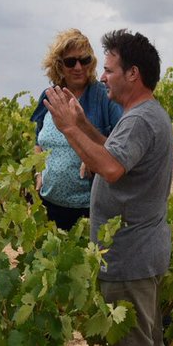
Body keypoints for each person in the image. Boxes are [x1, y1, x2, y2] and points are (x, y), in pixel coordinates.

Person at [43, 29, 173, 346]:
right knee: (150, 341)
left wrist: (67, 127)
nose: (103, 77)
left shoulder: (139, 120)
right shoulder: (142, 116)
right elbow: (114, 152)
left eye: (111, 69)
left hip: (130, 252)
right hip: (144, 247)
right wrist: (81, 125)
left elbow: (111, 166)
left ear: (133, 74)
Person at [30, 29, 122, 230]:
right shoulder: (49, 96)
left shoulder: (103, 96)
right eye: (71, 62)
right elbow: (38, 141)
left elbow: (121, 145)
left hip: (89, 208)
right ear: (59, 66)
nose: (78, 67)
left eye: (84, 60)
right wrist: (39, 174)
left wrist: (93, 154)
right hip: (49, 204)